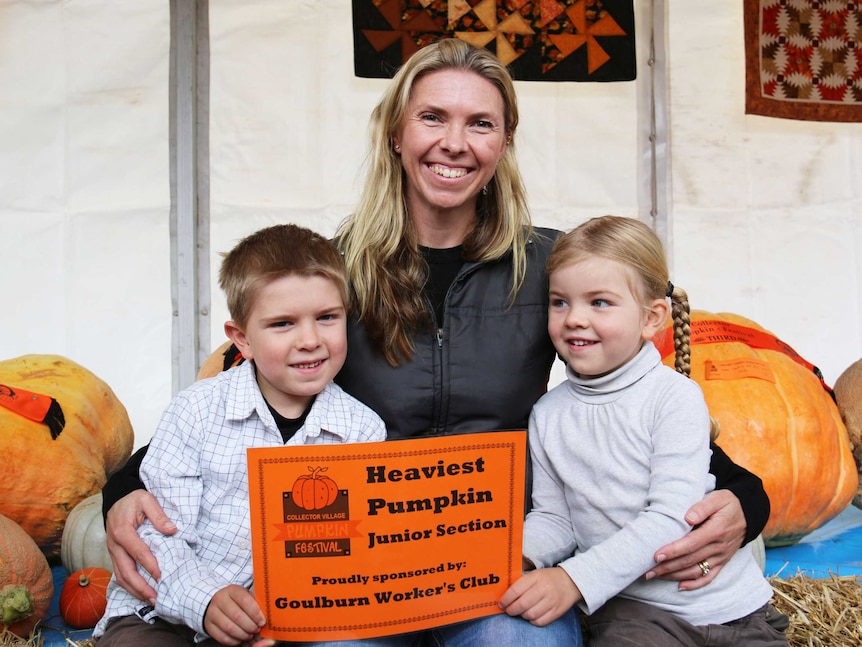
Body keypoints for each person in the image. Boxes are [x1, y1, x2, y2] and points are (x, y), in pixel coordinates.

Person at [101, 39, 769, 645]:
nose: (455, 142)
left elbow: (640, 397)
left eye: (480, 123)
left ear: (504, 142)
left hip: (500, 560)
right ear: (396, 133)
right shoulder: (333, 274)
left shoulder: (549, 270)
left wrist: (743, 496)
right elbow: (232, 391)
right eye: (432, 118)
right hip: (360, 567)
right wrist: (125, 487)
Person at [499, 216, 787, 646]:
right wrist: (512, 555)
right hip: (636, 616)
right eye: (560, 302)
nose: (574, 318)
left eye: (599, 302)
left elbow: (672, 517)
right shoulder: (547, 414)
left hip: (731, 611)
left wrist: (572, 580)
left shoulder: (673, 398)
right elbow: (556, 519)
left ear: (652, 318)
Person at [94, 224, 387, 647]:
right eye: (283, 324)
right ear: (242, 339)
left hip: (276, 621)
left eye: (327, 318)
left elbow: (349, 551)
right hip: (161, 612)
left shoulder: (362, 431)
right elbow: (157, 531)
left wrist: (284, 614)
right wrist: (207, 601)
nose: (310, 340)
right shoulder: (195, 411)